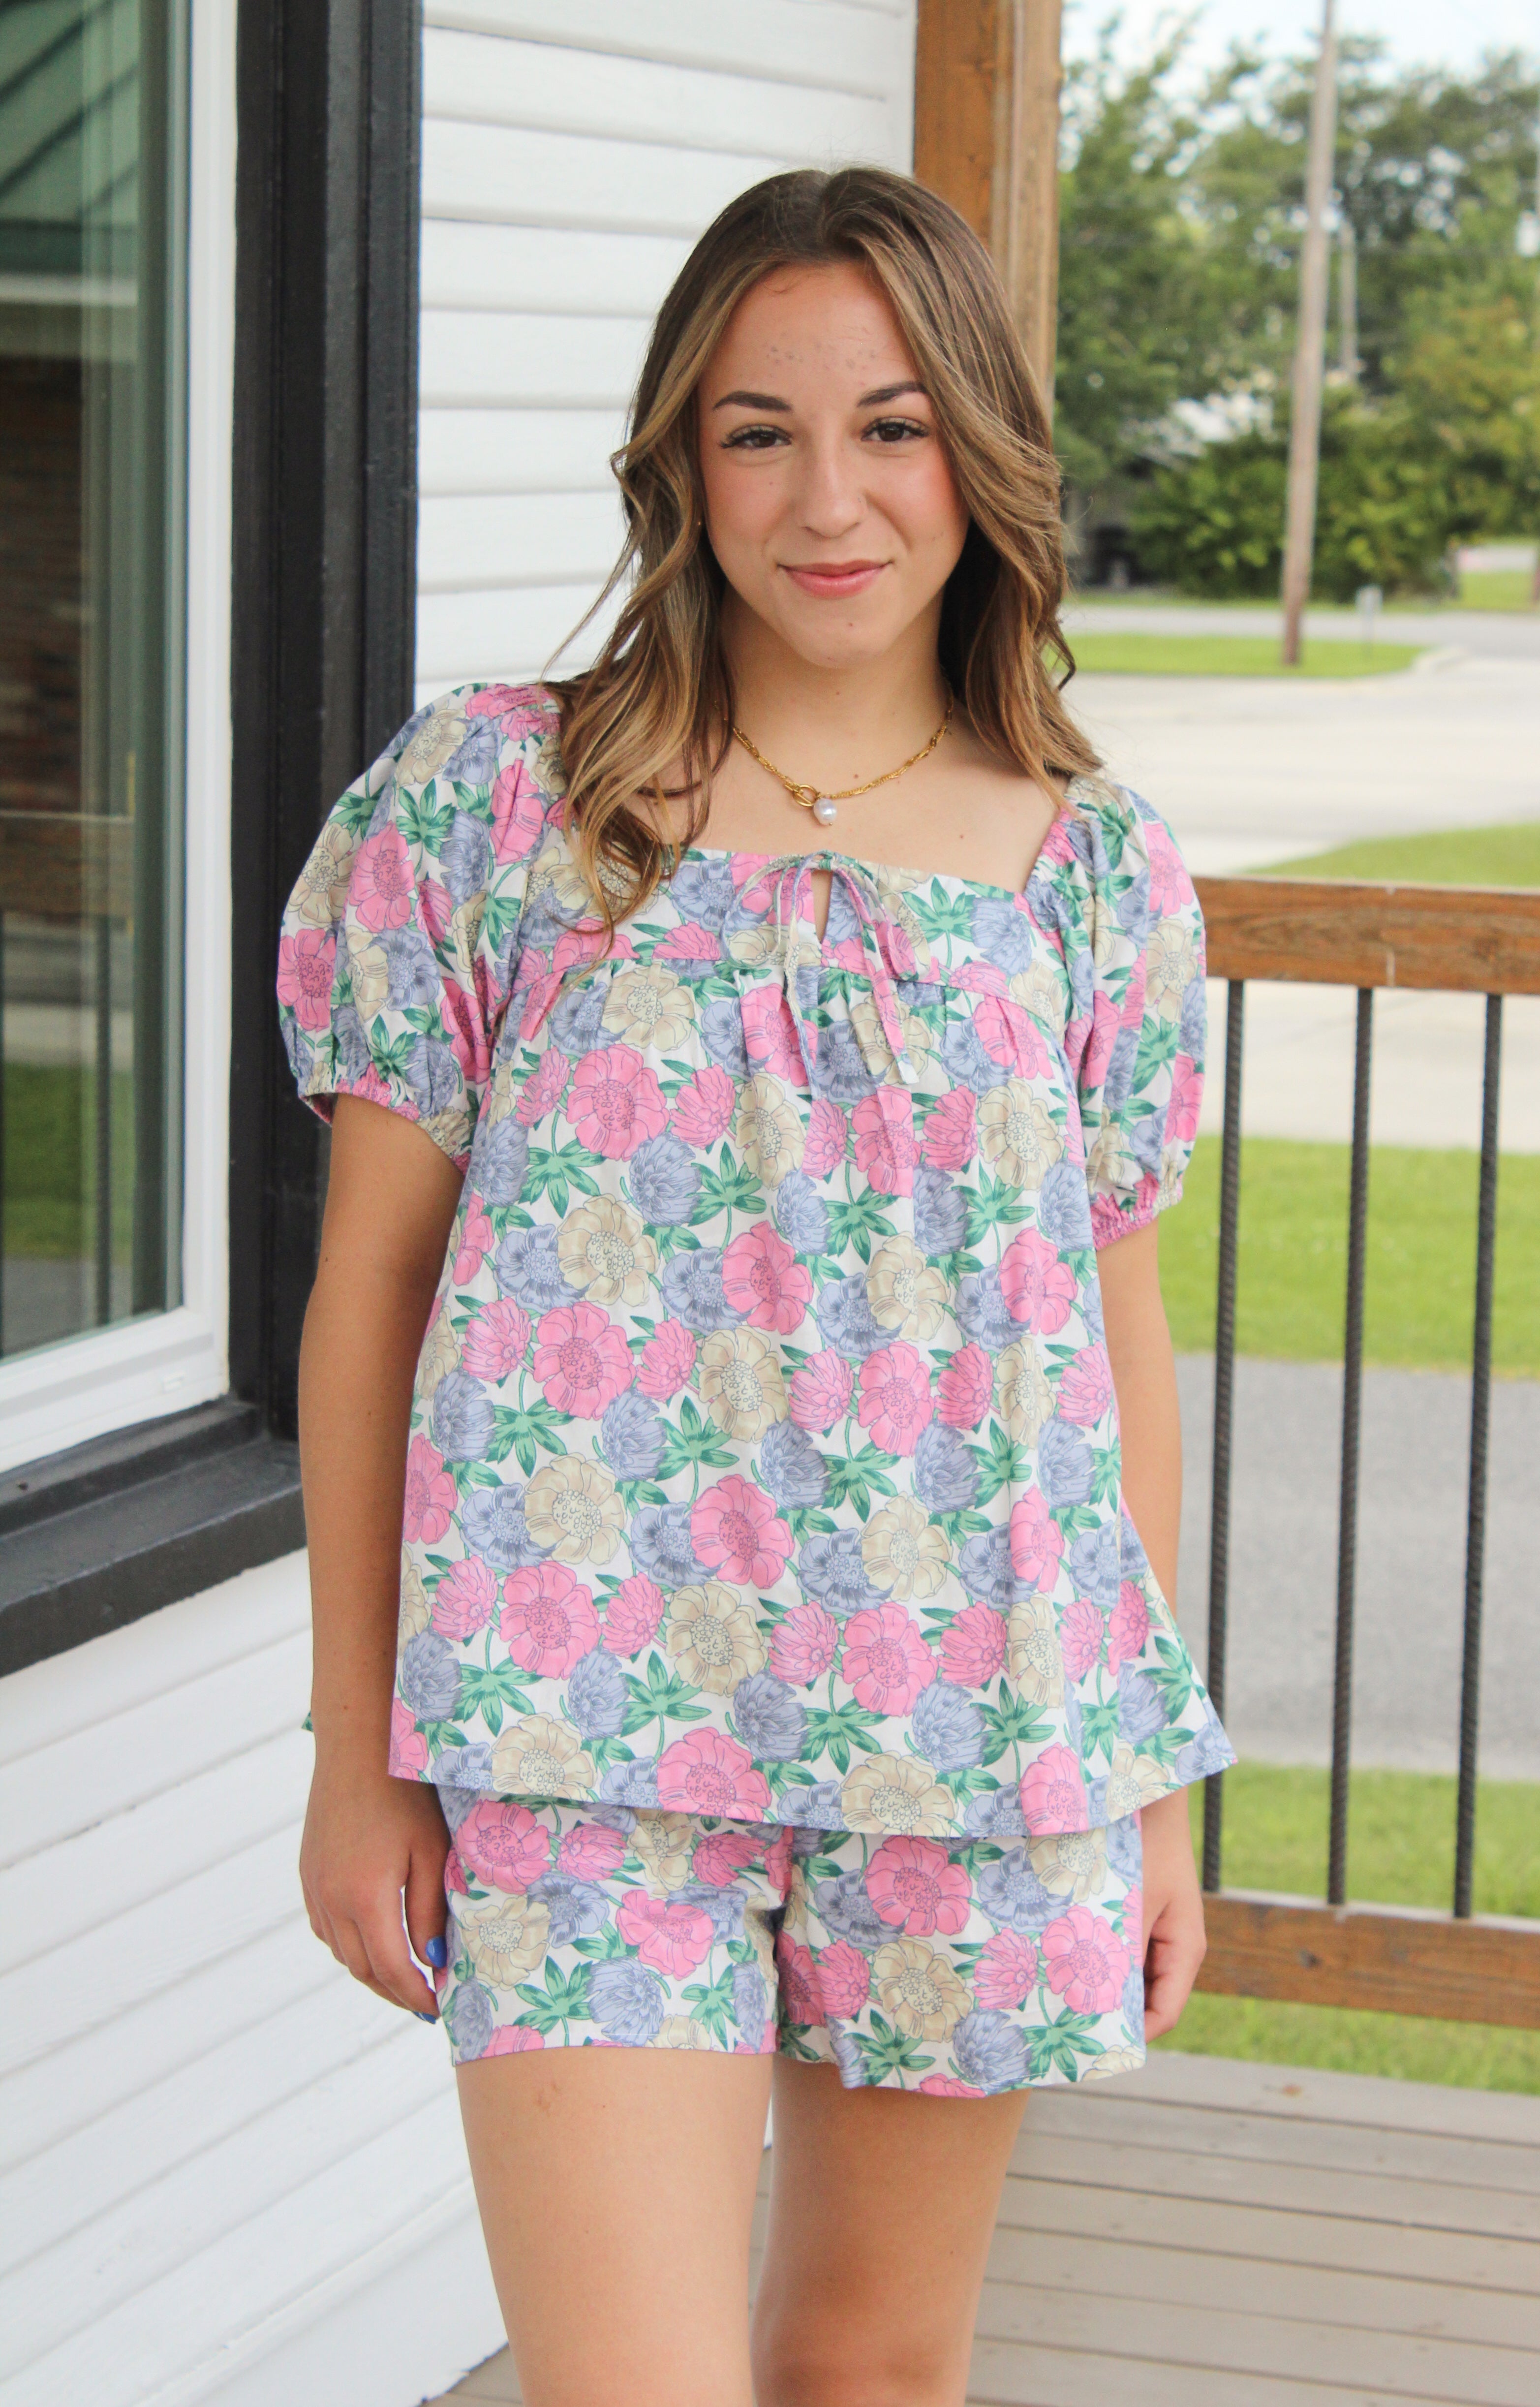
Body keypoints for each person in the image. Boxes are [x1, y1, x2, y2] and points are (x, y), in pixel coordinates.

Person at [278, 166, 1234, 2407]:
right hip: (575, 1724)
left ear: (977, 453)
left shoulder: (1094, 869)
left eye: (892, 428)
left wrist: (1146, 1793)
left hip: (978, 1728)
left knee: (869, 2375)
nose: (829, 500)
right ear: (679, 463)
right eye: (758, 431)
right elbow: (370, 1296)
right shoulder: (494, 803)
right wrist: (355, 1748)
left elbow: (1114, 1351)